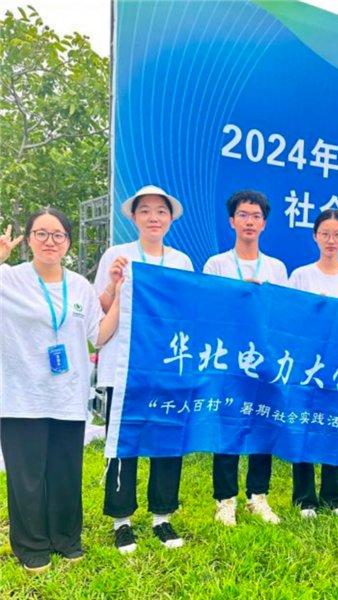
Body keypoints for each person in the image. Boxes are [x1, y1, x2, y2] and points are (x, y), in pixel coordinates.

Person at [0, 211, 121, 573]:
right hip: (21, 397)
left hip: (68, 397)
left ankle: (66, 539)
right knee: (27, 477)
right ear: (28, 239)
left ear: (68, 242)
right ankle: (32, 546)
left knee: (65, 473)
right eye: (41, 233)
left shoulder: (80, 286)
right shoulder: (9, 278)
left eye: (58, 234)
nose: (50, 241)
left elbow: (99, 335)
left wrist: (118, 295)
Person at [95, 185, 194, 554]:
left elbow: (189, 313)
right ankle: (121, 522)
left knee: (166, 441)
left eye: (160, 211)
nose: (154, 217)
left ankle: (162, 517)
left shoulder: (181, 262)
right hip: (124, 367)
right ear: (134, 217)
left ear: (170, 219)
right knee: (124, 442)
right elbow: (101, 309)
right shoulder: (117, 256)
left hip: (167, 367)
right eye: (146, 211)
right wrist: (113, 284)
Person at [203, 190, 287, 526]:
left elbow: (283, 315)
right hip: (228, 359)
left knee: (262, 423)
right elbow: (208, 310)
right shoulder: (216, 264)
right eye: (243, 215)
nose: (249, 221)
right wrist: (240, 295)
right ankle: (225, 500)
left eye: (255, 216)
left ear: (264, 224)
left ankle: (258, 496)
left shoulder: (277, 268)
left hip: (265, 359)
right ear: (231, 221)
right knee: (228, 425)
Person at [288, 209, 338, 518]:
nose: (330, 240)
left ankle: (333, 495)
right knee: (304, 425)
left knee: (334, 425)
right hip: (308, 364)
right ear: (315, 237)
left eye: (337, 234)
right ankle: (305, 497)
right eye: (325, 234)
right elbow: (290, 321)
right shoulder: (301, 275)